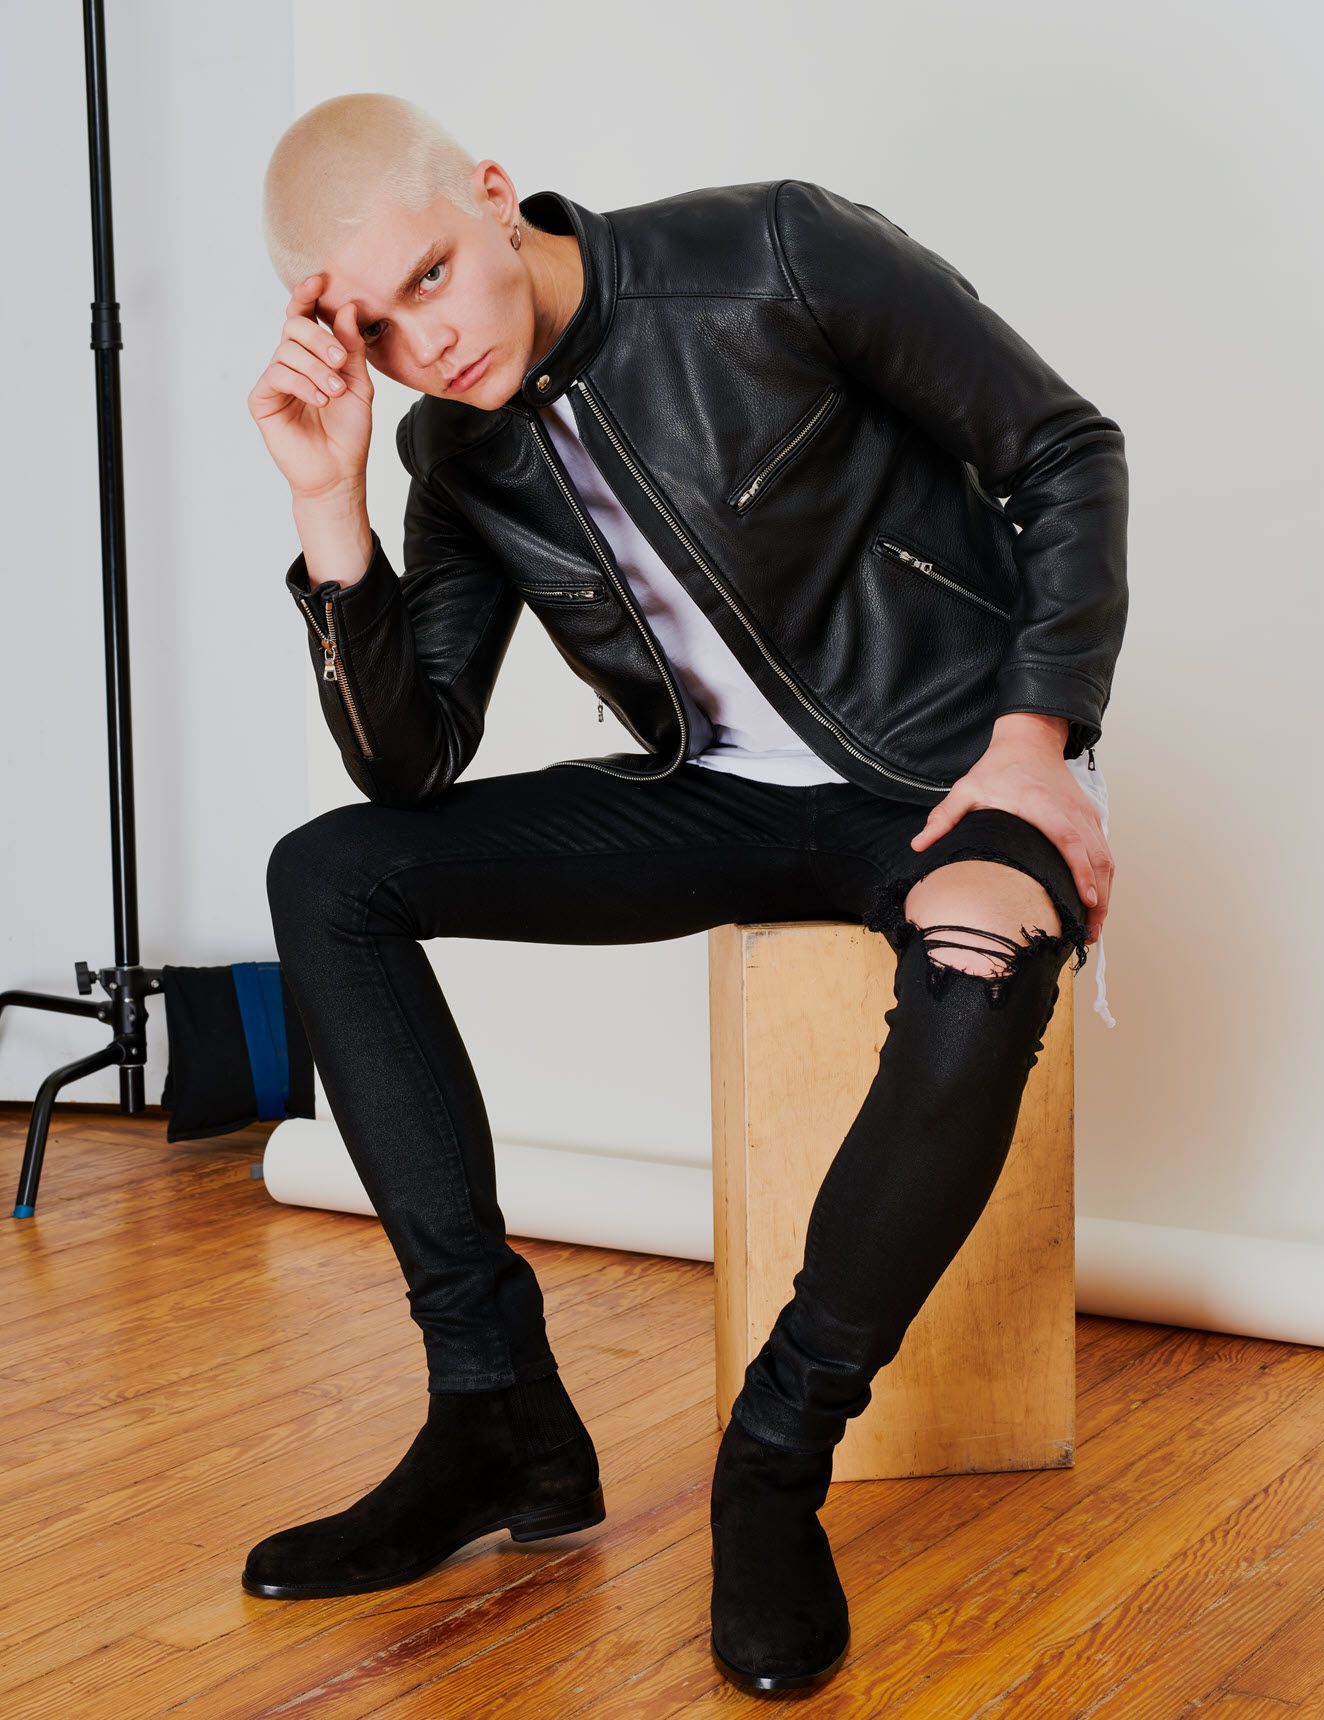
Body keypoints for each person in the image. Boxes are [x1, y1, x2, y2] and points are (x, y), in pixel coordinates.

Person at [245, 92, 1126, 1696]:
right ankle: (495, 1411)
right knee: (328, 877)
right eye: (371, 328)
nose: (423, 343)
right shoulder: (454, 448)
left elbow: (1064, 450)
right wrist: (329, 508)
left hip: (948, 773)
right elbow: (410, 765)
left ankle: (775, 1456)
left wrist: (1036, 743)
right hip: (716, 797)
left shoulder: (774, 253)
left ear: (495, 194)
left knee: (982, 953)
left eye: (431, 275)